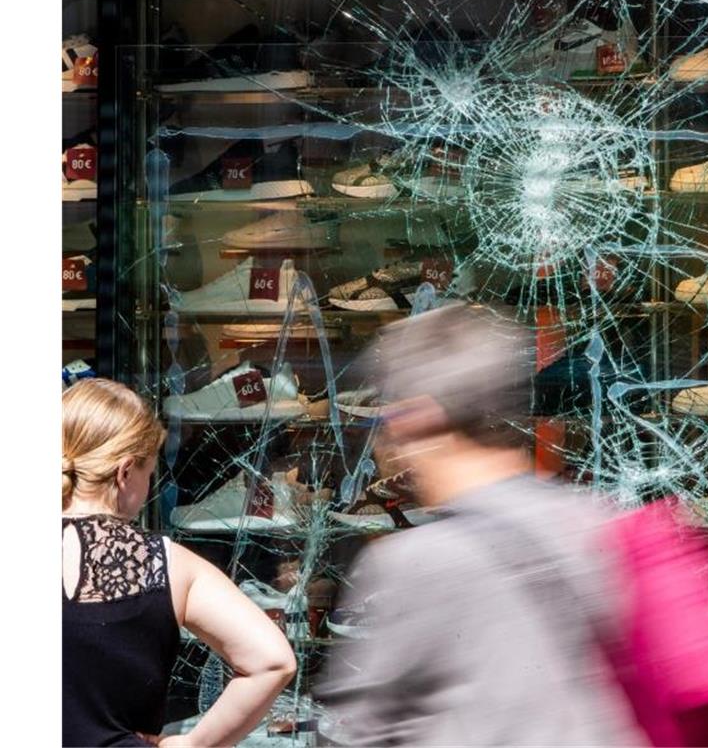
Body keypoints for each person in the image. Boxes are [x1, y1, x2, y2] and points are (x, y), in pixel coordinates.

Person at [318, 304, 647, 745]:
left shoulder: (415, 562)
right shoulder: (594, 522)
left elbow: (362, 730)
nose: (385, 440)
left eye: (388, 420)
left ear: (421, 417)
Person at [62, 379, 297, 747]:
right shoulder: (165, 563)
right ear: (125, 473)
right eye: (148, 473)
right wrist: (193, 744)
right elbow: (273, 661)